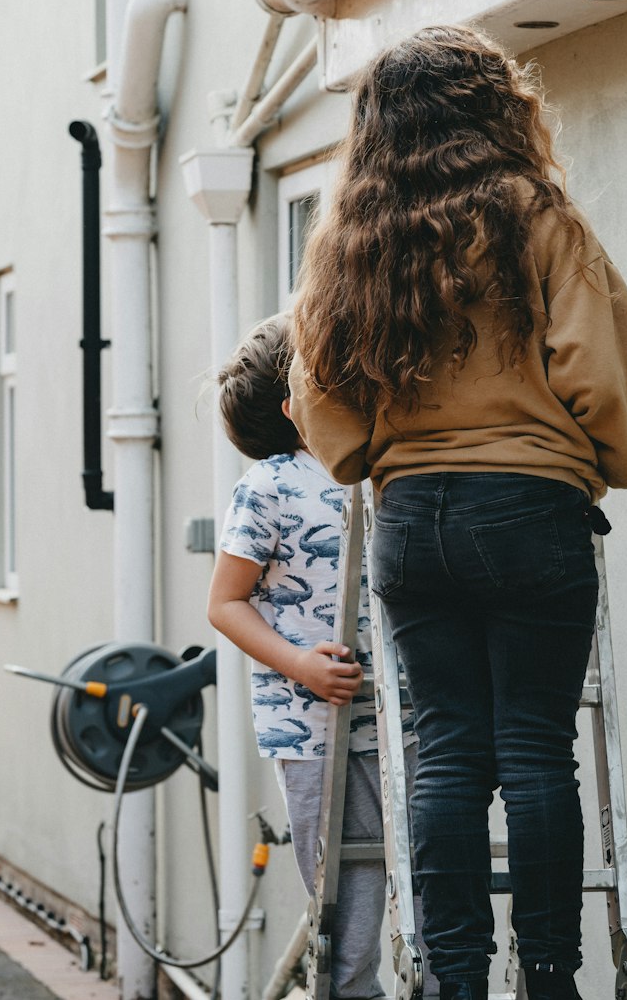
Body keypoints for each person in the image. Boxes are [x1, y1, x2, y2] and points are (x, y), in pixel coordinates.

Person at [288, 25, 627, 1000]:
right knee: (536, 746)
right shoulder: (535, 215)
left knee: (445, 749)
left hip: (413, 523)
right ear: (496, 106)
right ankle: (546, 977)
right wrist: (598, 461)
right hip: (531, 508)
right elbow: (603, 369)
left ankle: (454, 982)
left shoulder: (353, 237)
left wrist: (371, 460)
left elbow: (317, 391)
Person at [206, 313, 434, 1000]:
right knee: (350, 904)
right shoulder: (270, 486)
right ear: (295, 404)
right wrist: (299, 663)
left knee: (426, 882)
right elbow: (225, 603)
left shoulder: (380, 463)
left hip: (402, 721)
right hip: (312, 733)